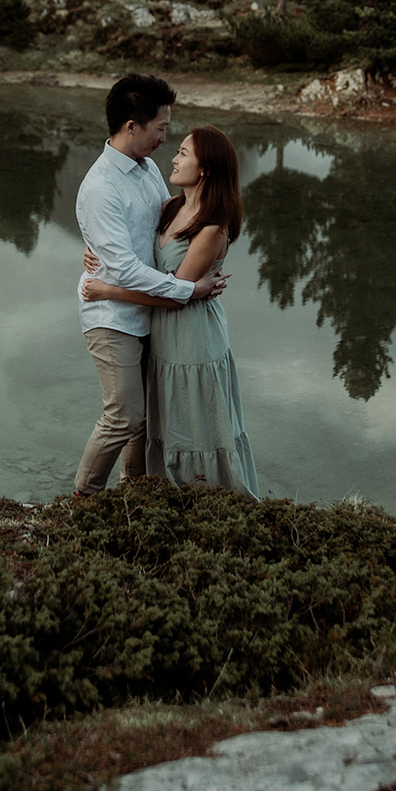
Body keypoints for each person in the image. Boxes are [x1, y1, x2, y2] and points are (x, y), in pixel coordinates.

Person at [82, 124, 259, 501]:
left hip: (191, 336)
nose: (173, 158)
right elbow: (133, 254)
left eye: (183, 152)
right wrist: (95, 255)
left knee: (195, 423)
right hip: (160, 331)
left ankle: (210, 501)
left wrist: (107, 290)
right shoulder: (169, 206)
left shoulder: (212, 229)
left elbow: (178, 296)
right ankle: (152, 497)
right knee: (159, 421)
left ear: (206, 169)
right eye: (174, 148)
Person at [73, 74, 227, 497]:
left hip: (151, 311)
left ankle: (136, 494)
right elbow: (120, 267)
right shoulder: (101, 186)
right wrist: (187, 291)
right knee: (124, 416)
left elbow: (163, 227)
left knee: (146, 420)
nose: (165, 138)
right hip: (113, 317)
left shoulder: (147, 171)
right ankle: (84, 497)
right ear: (131, 126)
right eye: (161, 128)